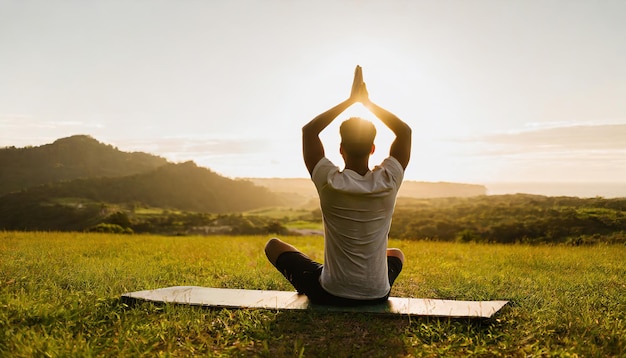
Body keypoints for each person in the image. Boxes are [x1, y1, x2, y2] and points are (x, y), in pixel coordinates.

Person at [264, 65, 412, 306]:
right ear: (373, 149)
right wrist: (367, 103)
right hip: (377, 293)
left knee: (273, 245)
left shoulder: (329, 182)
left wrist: (350, 100)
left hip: (330, 293)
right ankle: (343, 276)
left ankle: (327, 277)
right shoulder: (388, 181)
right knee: (396, 254)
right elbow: (404, 132)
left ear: (340, 150)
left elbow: (309, 131)